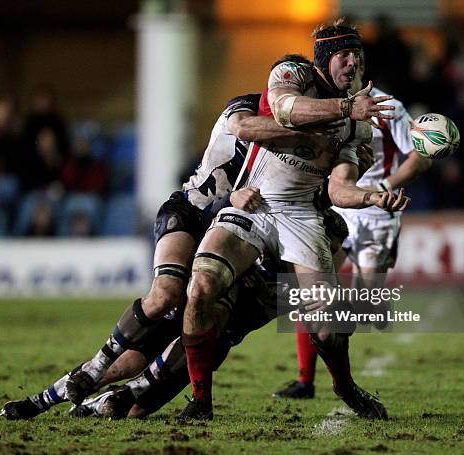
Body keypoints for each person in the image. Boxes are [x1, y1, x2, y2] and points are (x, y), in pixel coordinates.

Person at [58, 51, 390, 407]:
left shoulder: (341, 149)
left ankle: (117, 398)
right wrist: (317, 126)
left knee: (210, 334)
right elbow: (247, 126)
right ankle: (83, 378)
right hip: (205, 208)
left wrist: (365, 190)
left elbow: (336, 184)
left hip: (257, 220)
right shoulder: (252, 106)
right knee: (170, 296)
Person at [0, 86, 347, 419]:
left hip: (231, 257)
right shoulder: (249, 109)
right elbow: (239, 131)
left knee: (139, 400)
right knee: (165, 296)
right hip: (196, 216)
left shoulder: (310, 215)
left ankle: (106, 400)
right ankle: (62, 389)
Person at [177, 20, 408, 421]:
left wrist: (373, 196)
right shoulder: (291, 72)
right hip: (255, 203)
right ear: (324, 58)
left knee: (327, 329)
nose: (353, 63)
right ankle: (200, 401)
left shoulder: (360, 126)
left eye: (358, 56)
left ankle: (345, 386)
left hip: (302, 216)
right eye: (344, 55)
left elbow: (339, 189)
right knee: (202, 286)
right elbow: (284, 109)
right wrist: (343, 109)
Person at [272, 50, 432, 400]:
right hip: (335, 202)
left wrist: (385, 188)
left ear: (361, 69)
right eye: (341, 64)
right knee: (308, 293)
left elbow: (418, 155)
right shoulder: (323, 104)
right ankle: (305, 380)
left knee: (364, 303)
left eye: (353, 64)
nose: (347, 70)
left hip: (374, 210)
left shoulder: (388, 106)